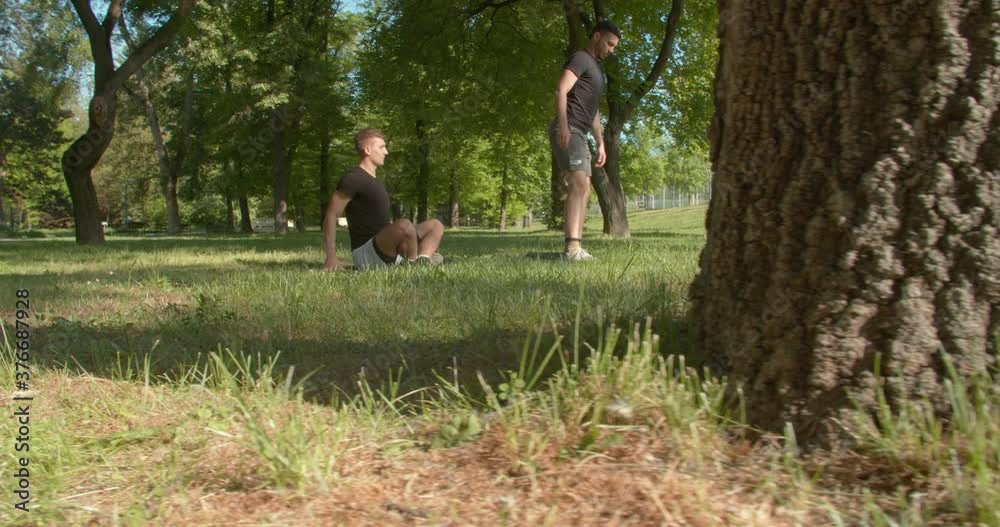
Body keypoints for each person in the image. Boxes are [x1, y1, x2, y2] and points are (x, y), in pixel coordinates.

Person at [549, 20, 621, 261]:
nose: (611, 49)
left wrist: (600, 142)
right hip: (570, 128)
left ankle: (576, 247)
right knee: (578, 183)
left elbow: (593, 111)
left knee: (585, 188)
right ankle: (572, 248)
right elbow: (561, 90)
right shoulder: (580, 58)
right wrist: (564, 126)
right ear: (597, 36)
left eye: (614, 46)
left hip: (582, 132)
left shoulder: (598, 72)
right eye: (609, 44)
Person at [323, 129, 444, 271]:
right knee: (404, 225)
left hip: (386, 246)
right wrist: (331, 257)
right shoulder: (353, 178)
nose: (386, 152)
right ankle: (413, 265)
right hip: (366, 253)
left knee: (435, 225)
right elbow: (331, 215)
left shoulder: (375, 180)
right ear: (368, 150)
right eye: (381, 147)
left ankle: (422, 260)